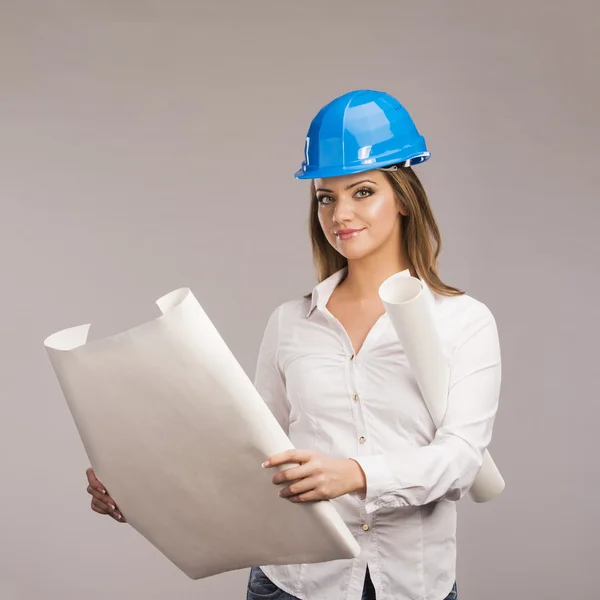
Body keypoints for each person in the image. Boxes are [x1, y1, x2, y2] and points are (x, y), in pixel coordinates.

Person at [86, 89, 502, 600]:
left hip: (411, 585)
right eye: (327, 197)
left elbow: (461, 458)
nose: (340, 213)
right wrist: (142, 492)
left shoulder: (464, 321)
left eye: (363, 191)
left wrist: (355, 475)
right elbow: (250, 458)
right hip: (295, 582)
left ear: (404, 199)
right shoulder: (291, 323)